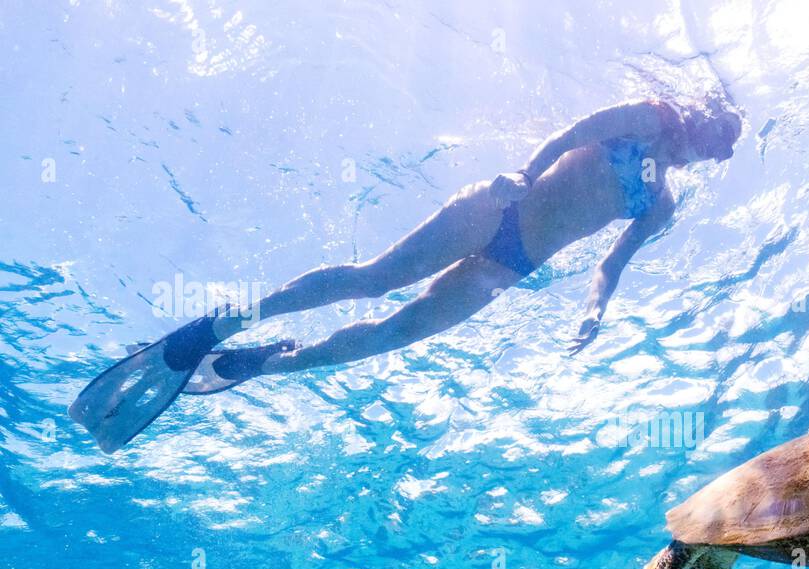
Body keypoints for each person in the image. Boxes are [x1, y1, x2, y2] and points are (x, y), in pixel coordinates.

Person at [71, 95, 742, 453]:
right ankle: (221, 322)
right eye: (709, 137)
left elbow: (611, 262)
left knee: (397, 334)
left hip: (512, 265)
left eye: (712, 153)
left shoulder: (659, 203)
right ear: (698, 119)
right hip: (498, 207)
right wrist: (526, 173)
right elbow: (573, 133)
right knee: (375, 279)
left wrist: (595, 309)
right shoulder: (645, 116)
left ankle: (261, 363)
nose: (700, 152)